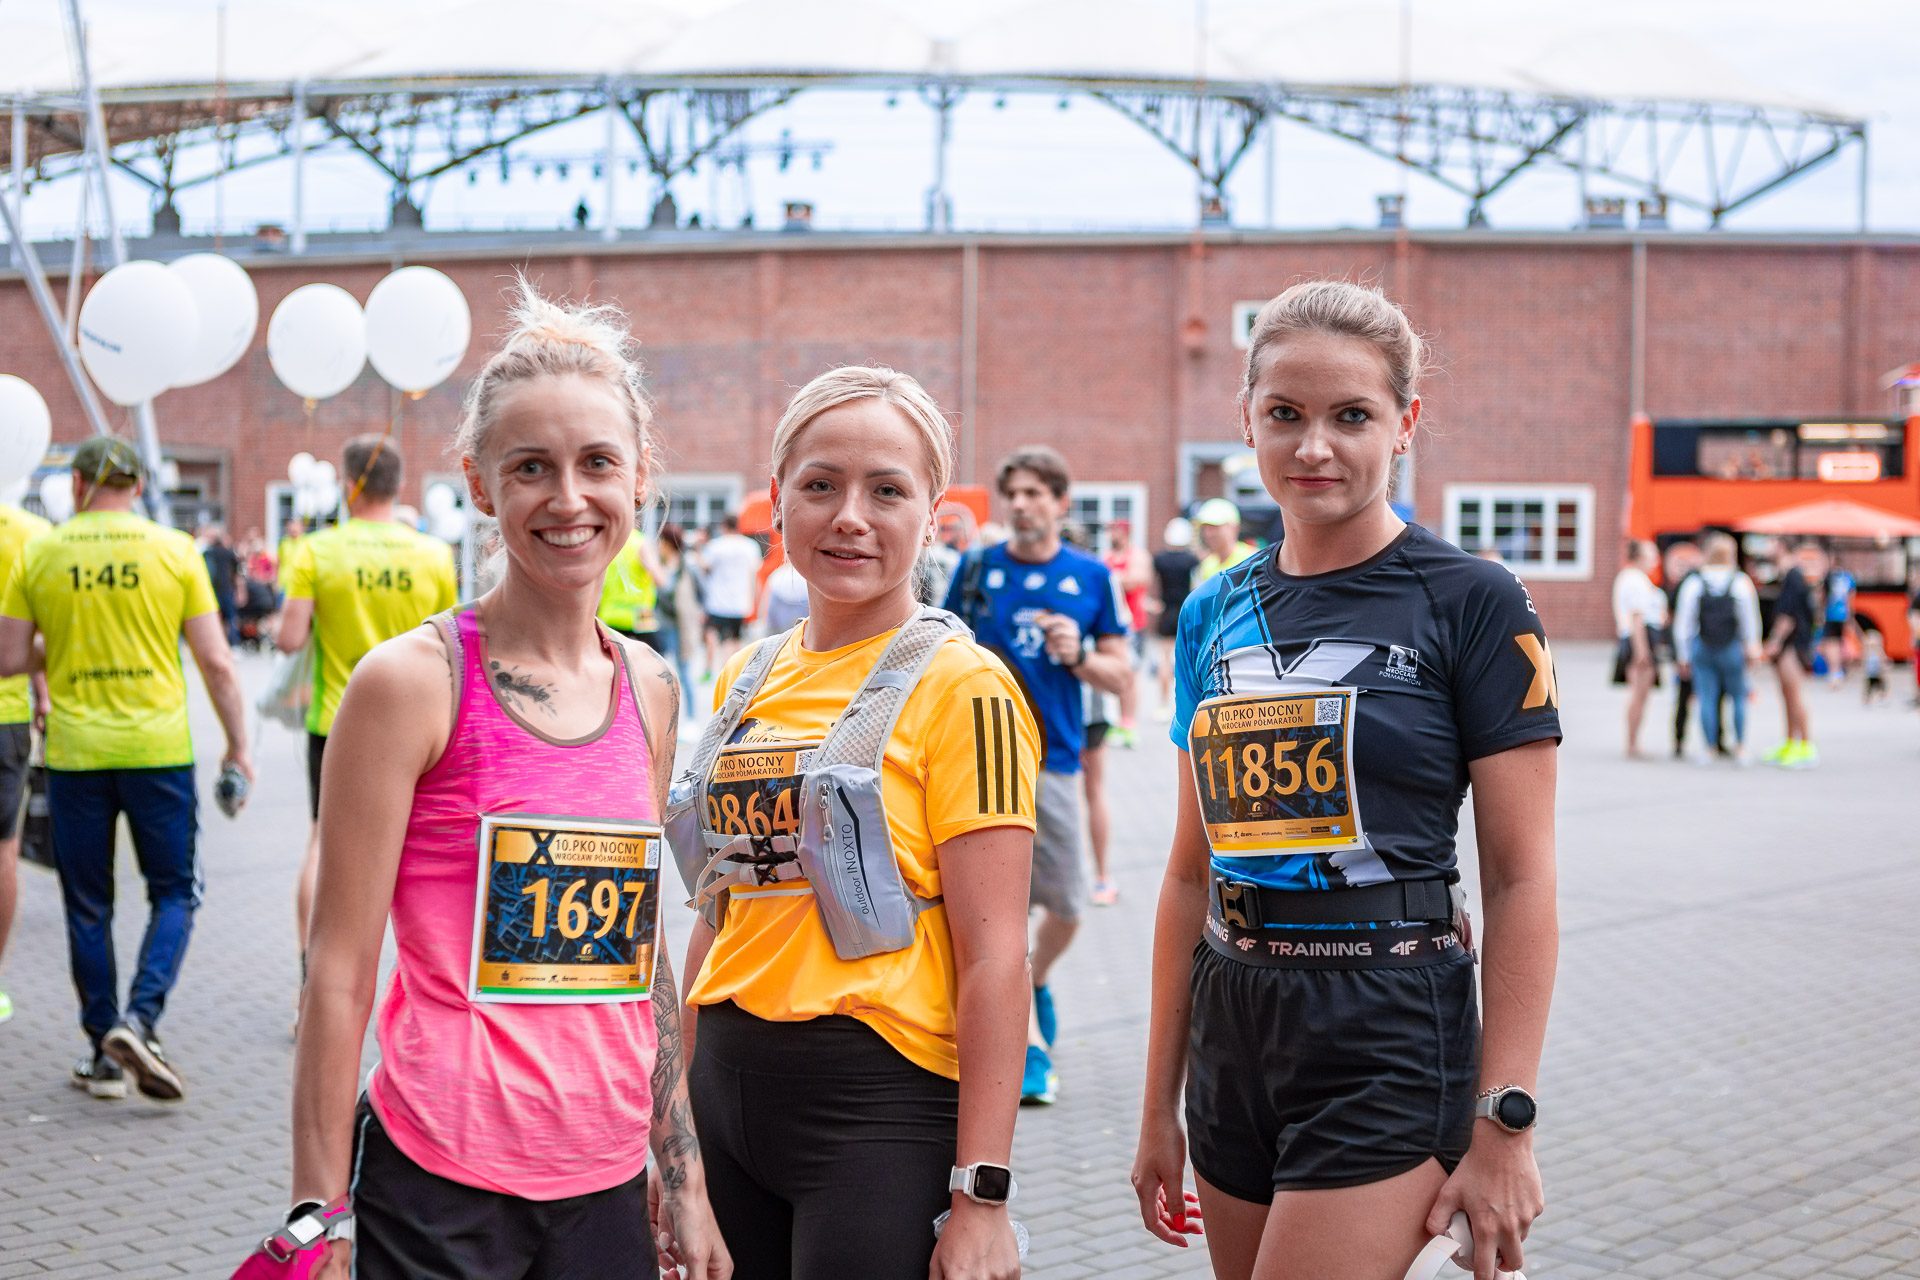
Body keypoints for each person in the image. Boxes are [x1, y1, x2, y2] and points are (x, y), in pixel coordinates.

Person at [288, 285, 727, 1279]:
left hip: (605, 1182)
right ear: (480, 485)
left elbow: (641, 955)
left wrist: (684, 1176)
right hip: (438, 1186)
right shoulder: (411, 683)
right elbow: (338, 969)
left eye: (597, 463)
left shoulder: (651, 687)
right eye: (531, 466)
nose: (568, 499)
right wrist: (318, 1213)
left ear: (640, 477)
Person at [1132, 280, 1560, 1280]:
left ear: (1404, 424)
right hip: (1233, 1019)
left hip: (1387, 1022)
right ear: (1247, 420)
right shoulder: (1211, 612)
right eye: (1285, 413)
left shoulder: (1473, 600)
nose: (1314, 446)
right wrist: (1157, 1106)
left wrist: (1506, 1120)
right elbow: (1189, 873)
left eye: (1352, 416)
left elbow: (1522, 878)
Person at [680, 366, 1033, 1278]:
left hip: (876, 1111)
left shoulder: (966, 686)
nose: (849, 517)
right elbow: (720, 905)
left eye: (887, 490)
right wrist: (672, 1118)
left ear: (933, 514)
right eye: (821, 484)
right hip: (725, 1085)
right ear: (776, 500)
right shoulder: (747, 675)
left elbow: (997, 956)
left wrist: (982, 1196)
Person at [0, 436, 252, 1102]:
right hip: (157, 751)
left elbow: (8, 657)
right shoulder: (174, 550)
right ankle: (140, 1020)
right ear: (138, 487)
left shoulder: (42, 551)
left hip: (76, 754)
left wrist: (70, 639)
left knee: (88, 903)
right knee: (174, 892)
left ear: (77, 485)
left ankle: (103, 1051)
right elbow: (217, 662)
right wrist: (239, 745)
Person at [945, 444, 1130, 1106]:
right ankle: (1026, 1047)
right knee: (1001, 915)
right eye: (1013, 494)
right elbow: (940, 650)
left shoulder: (1090, 576)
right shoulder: (976, 569)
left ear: (1060, 502)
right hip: (982, 761)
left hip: (1055, 759)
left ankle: (1038, 981)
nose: (1021, 505)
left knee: (1069, 905)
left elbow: (1120, 674)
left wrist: (1077, 655)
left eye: (1034, 494)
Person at [276, 434, 459, 967]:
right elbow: (451, 647)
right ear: (398, 484)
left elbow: (288, 639)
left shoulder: (317, 550)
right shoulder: (432, 554)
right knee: (416, 848)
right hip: (420, 724)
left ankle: (311, 971)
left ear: (348, 484)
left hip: (336, 718)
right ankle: (418, 973)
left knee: (323, 843)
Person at [0, 498, 50, 1027]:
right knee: (3, 850)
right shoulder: (30, 533)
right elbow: (33, 630)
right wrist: (43, 690)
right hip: (5, 714)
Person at [1670, 533, 1762, 765]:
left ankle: (1709, 749)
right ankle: (1740, 747)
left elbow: (1684, 622)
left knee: (1706, 698)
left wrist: (1683, 655)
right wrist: (1753, 647)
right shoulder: (1740, 581)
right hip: (1732, 647)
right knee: (1738, 697)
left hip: (1702, 646)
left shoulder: (1695, 582)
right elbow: (1750, 619)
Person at [1764, 540, 1821, 768]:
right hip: (1790, 645)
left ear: (1780, 546)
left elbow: (1787, 615)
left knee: (1795, 694)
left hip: (1792, 645)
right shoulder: (1790, 576)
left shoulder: (1793, 576)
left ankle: (1806, 746)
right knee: (1787, 694)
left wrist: (1775, 641)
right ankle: (1790, 742)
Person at [1610, 539, 1667, 758]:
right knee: (1639, 694)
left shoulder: (1632, 578)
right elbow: (1637, 617)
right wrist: (1642, 650)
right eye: (1651, 555)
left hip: (1637, 637)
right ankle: (1633, 742)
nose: (1655, 560)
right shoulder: (1635, 580)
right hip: (1640, 639)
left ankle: (1633, 741)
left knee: (1640, 694)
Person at [1660, 540, 1713, 759]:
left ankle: (1679, 740)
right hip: (1707, 646)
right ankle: (1716, 740)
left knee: (1684, 697)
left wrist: (1679, 653)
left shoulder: (1689, 582)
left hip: (1690, 647)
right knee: (1711, 695)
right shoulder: (1704, 580)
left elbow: (1674, 619)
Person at [1102, 519, 1150, 748]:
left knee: (1130, 674)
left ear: (1124, 532)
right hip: (1112, 624)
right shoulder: (1107, 556)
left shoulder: (1137, 555)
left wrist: (1112, 579)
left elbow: (1136, 580)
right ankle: (1116, 720)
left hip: (1133, 623)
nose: (1110, 535)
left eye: (1114, 530)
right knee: (1112, 673)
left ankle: (1129, 723)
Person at [1150, 516, 1199, 720]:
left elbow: (1152, 584)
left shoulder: (1160, 559)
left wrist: (1153, 603)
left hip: (1166, 612)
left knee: (1164, 660)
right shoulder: (1192, 560)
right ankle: (1186, 706)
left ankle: (1163, 705)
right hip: (1187, 612)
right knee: (1188, 661)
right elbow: (1197, 585)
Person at [700, 512, 762, 672]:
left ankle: (717, 669)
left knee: (715, 636)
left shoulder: (716, 546)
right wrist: (756, 601)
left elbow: (704, 567)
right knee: (735, 639)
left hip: (717, 602)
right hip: (741, 603)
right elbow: (755, 575)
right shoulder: (750, 546)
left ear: (723, 526)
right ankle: (734, 670)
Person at [598, 526, 664, 647]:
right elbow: (660, 580)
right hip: (640, 620)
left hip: (610, 617)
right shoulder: (641, 543)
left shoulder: (607, 542)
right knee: (655, 655)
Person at [653, 523, 695, 714]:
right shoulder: (659, 563)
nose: (658, 545)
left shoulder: (686, 566)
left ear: (668, 543)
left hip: (680, 625)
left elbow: (699, 592)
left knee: (683, 671)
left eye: (661, 541)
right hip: (660, 625)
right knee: (660, 672)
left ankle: (691, 716)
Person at [1192, 498, 1257, 583]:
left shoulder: (1252, 559)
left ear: (1234, 528)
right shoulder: (1206, 565)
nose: (1208, 534)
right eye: (1204, 528)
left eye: (1214, 527)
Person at [200, 523, 244, 647]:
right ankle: (232, 643)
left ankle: (217, 643)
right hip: (227, 589)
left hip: (213, 590)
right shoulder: (229, 553)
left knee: (215, 618)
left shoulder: (207, 553)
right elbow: (237, 574)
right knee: (230, 618)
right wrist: (240, 591)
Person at [1821, 560, 1856, 685]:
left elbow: (1824, 597)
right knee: (1841, 642)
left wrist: (1821, 613)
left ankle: (1835, 672)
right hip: (1844, 614)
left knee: (1831, 644)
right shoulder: (1849, 577)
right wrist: (1849, 615)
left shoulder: (1829, 577)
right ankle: (1842, 669)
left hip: (1831, 614)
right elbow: (1851, 598)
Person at [756, 553, 810, 633]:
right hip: (802, 622)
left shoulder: (777, 575)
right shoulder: (808, 576)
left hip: (779, 624)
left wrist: (763, 620)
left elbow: (766, 604)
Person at [1860, 630, 1889, 705]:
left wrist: (1884, 668)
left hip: (1878, 673)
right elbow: (1864, 662)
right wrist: (1863, 669)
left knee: (1881, 686)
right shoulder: (1867, 652)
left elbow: (1883, 660)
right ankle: (1867, 699)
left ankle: (1882, 697)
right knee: (1868, 687)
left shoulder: (1879, 651)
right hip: (1870, 674)